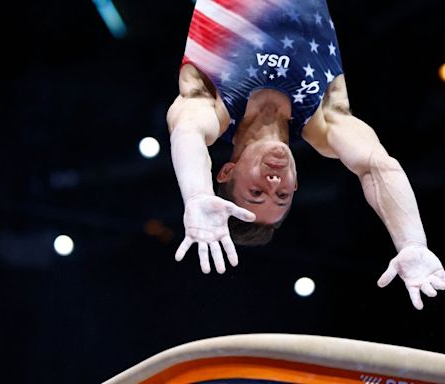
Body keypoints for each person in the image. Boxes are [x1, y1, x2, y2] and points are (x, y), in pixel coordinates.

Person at [166, 0, 445, 309]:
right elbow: (377, 167)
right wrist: (411, 242)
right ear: (296, 183)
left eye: (257, 192)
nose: (274, 182)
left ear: (226, 172)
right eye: (282, 194)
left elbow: (187, 132)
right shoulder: (325, 121)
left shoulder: (209, 100)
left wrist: (196, 194)